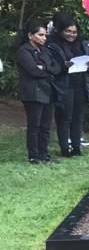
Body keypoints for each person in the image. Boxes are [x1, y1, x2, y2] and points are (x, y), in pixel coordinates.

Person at [16, 20, 62, 164]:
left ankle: (44, 154)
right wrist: (47, 70)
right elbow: (34, 71)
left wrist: (45, 68)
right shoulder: (24, 51)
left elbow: (57, 68)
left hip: (47, 91)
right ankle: (34, 155)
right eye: (40, 35)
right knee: (34, 125)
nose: (44, 38)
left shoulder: (45, 50)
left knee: (45, 126)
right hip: (33, 93)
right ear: (30, 35)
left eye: (45, 35)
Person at [48, 12, 89, 157]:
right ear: (61, 31)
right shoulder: (53, 45)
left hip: (80, 85)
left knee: (78, 118)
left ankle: (76, 147)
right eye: (68, 31)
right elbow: (52, 67)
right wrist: (64, 66)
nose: (71, 34)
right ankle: (64, 148)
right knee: (64, 118)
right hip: (64, 85)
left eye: (74, 32)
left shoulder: (82, 43)